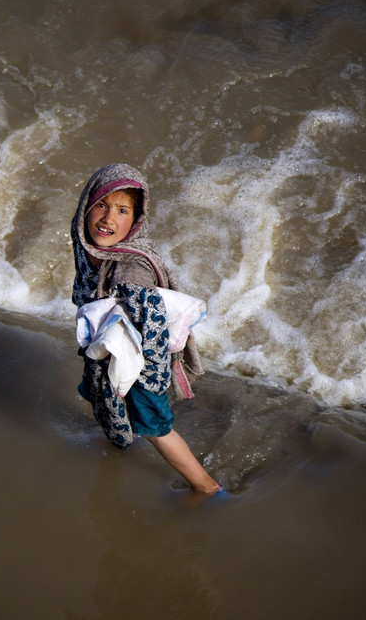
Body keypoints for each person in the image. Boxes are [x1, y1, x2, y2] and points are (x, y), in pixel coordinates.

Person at [71, 163, 223, 497]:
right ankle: (117, 435)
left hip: (141, 360)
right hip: (111, 346)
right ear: (86, 206)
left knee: (156, 426)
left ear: (136, 220)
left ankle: (207, 488)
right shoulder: (91, 251)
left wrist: (148, 383)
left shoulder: (132, 268)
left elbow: (150, 329)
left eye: (122, 210)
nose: (109, 218)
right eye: (102, 205)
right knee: (98, 391)